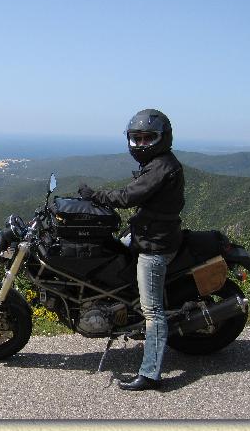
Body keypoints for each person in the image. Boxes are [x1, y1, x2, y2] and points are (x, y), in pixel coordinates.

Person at [78, 108, 185, 391]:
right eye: (136, 138)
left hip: (155, 246)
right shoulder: (157, 164)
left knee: (153, 311)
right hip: (146, 234)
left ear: (162, 138)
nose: (140, 144)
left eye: (147, 138)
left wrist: (95, 195)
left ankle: (150, 374)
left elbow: (128, 197)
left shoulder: (162, 167)